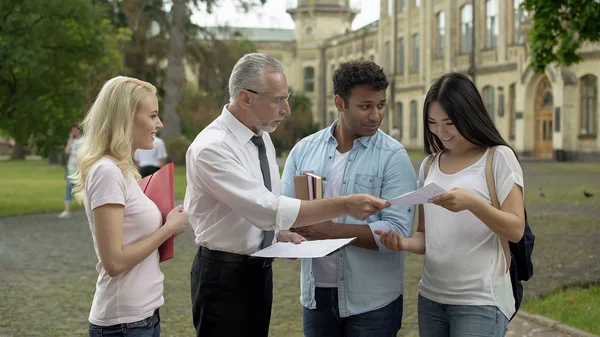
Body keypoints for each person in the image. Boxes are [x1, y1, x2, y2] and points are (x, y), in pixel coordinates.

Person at [183, 53, 390, 337]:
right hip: (224, 275)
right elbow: (267, 208)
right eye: (278, 99)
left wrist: (279, 234)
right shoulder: (213, 148)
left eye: (286, 97)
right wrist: (345, 204)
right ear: (246, 98)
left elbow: (254, 210)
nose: (287, 108)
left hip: (258, 270)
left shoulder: (261, 136)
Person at [375, 72, 526, 337]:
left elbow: (515, 229)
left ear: (469, 116)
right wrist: (404, 243)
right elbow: (426, 236)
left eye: (449, 123)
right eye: (432, 122)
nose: (441, 132)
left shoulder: (498, 158)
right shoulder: (430, 165)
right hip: (431, 298)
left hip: (480, 301)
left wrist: (473, 203)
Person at [280, 60, 416, 337]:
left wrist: (331, 232)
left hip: (373, 301)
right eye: (365, 106)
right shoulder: (303, 151)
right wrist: (285, 235)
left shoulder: (394, 156)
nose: (375, 115)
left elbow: (399, 231)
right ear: (340, 103)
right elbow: (283, 213)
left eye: (381, 105)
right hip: (316, 296)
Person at [70, 76, 189, 337]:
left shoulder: (122, 170)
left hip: (142, 317)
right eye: (153, 116)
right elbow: (113, 261)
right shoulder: (107, 172)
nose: (159, 124)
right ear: (126, 118)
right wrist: (167, 229)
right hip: (124, 323)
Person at [58, 124, 82, 219]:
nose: (74, 132)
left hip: (81, 167)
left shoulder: (84, 140)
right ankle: (67, 210)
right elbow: (67, 151)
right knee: (69, 187)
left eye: (76, 130)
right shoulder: (72, 141)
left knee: (85, 187)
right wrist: (70, 139)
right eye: (73, 130)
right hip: (71, 167)